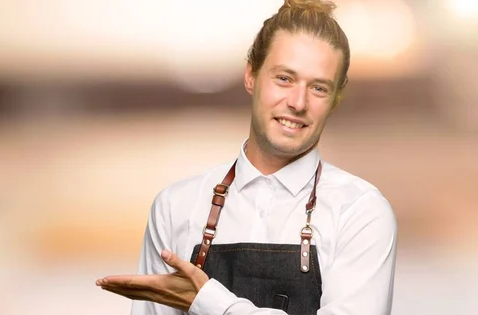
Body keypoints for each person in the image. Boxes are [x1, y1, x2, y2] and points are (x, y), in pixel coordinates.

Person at [96, 0, 397, 314]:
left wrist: (207, 301)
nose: (298, 102)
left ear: (335, 100)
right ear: (251, 75)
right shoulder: (176, 207)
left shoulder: (361, 213)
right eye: (284, 78)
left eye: (319, 88)